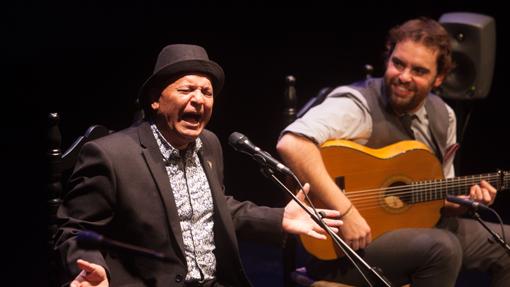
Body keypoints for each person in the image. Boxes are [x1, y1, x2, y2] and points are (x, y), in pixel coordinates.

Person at [55, 44, 343, 287]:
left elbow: (215, 206)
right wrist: (93, 268)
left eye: (207, 92)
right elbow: (76, 229)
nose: (199, 100)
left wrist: (278, 218)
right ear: (156, 100)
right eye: (187, 89)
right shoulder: (111, 156)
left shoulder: (210, 144)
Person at [277, 18, 510, 287]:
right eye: (398, 63)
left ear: (439, 78)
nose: (404, 76)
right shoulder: (358, 105)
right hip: (344, 246)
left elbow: (440, 197)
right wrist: (346, 210)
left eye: (419, 71)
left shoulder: (443, 116)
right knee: (442, 248)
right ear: (387, 58)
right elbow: (291, 143)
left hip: (417, 232)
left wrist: (467, 201)